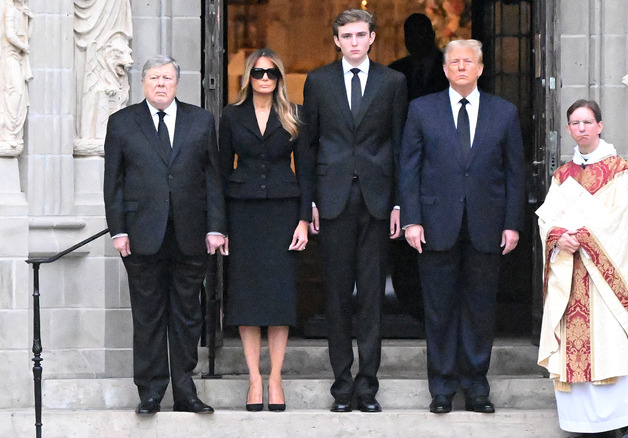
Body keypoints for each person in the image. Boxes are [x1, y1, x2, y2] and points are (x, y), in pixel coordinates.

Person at [400, 39, 525, 414]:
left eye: (467, 62)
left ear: (480, 68)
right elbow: (409, 169)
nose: (460, 68)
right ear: (444, 69)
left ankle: (475, 387)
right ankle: (440, 388)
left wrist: (513, 224)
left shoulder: (504, 112)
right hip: (436, 224)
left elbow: (515, 173)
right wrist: (411, 219)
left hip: (487, 225)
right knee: (438, 309)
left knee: (480, 308)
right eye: (453, 62)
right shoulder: (422, 110)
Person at [103, 55, 227, 415]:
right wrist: (118, 230)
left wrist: (216, 227)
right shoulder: (122, 123)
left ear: (177, 82)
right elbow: (114, 182)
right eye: (154, 78)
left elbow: (212, 178)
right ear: (143, 82)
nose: (161, 84)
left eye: (167, 78)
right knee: (148, 314)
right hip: (142, 235)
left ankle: (185, 391)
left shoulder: (201, 121)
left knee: (188, 314)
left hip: (191, 235)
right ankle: (151, 391)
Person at [536, 99, 628, 438]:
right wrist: (559, 237)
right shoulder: (562, 176)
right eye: (575, 123)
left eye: (587, 122)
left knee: (616, 340)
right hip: (572, 275)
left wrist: (584, 237)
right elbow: (547, 220)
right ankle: (586, 424)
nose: (581, 128)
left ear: (600, 125)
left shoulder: (621, 171)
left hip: (608, 279)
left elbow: (624, 222)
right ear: (568, 129)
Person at [302, 8, 407, 413]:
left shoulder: (393, 82)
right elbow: (308, 144)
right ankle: (341, 386)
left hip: (378, 201)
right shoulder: (318, 81)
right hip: (331, 199)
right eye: (347, 36)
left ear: (372, 37)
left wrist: (399, 202)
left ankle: (368, 387)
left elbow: (400, 146)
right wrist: (309, 200)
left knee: (372, 298)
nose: (354, 42)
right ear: (336, 40)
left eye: (361, 35)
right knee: (337, 295)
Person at [219, 48, 313, 412]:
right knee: (246, 296)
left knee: (279, 296)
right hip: (242, 212)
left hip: (282, 211)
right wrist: (220, 225)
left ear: (279, 77)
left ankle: (275, 378)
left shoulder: (294, 114)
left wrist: (304, 219)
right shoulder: (231, 115)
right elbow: (221, 169)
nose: (264, 79)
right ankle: (253, 380)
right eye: (258, 73)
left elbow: (305, 169)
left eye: (271, 73)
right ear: (248, 77)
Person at [387, 12, 449, 323]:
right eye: (409, 34)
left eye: (420, 33)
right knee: (403, 245)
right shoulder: (395, 72)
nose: (415, 40)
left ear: (432, 35)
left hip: (444, 168)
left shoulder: (449, 68)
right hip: (402, 164)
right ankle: (410, 303)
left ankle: (435, 311)